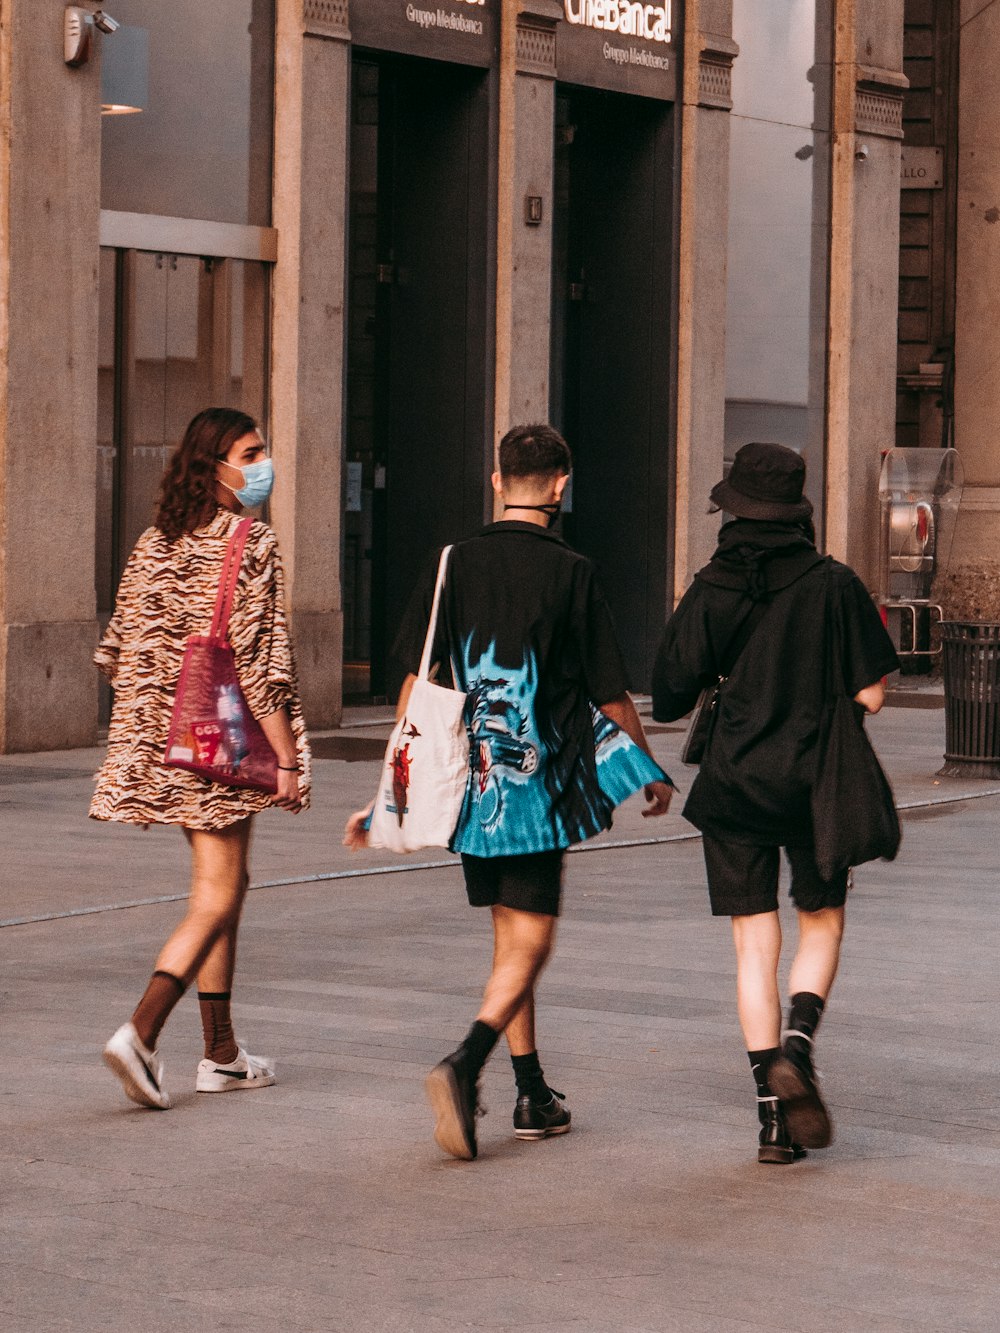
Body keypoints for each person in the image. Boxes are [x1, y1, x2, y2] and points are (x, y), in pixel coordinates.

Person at [345, 423, 673, 1161]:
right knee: (532, 942)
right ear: (561, 485)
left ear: (497, 481)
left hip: (469, 789)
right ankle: (466, 1063)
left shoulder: (452, 563)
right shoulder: (574, 571)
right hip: (539, 792)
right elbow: (610, 691)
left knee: (507, 938)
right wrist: (648, 769)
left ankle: (532, 1091)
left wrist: (388, 792)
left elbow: (416, 685)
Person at [651, 442, 899, 1163]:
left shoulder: (711, 585)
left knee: (752, 946)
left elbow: (669, 692)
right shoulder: (835, 583)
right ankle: (800, 1041)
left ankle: (771, 1120)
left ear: (733, 507)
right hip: (816, 781)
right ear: (798, 510)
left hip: (734, 784)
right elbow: (873, 691)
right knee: (821, 920)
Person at [93, 407, 310, 1110]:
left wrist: (157, 707)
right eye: (251, 452)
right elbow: (258, 659)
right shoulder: (253, 541)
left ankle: (221, 1052)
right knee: (217, 890)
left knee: (226, 881)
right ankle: (142, 1032)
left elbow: (114, 649)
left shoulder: (155, 542)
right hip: (221, 736)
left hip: (163, 739)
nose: (262, 462)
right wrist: (285, 758)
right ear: (215, 466)